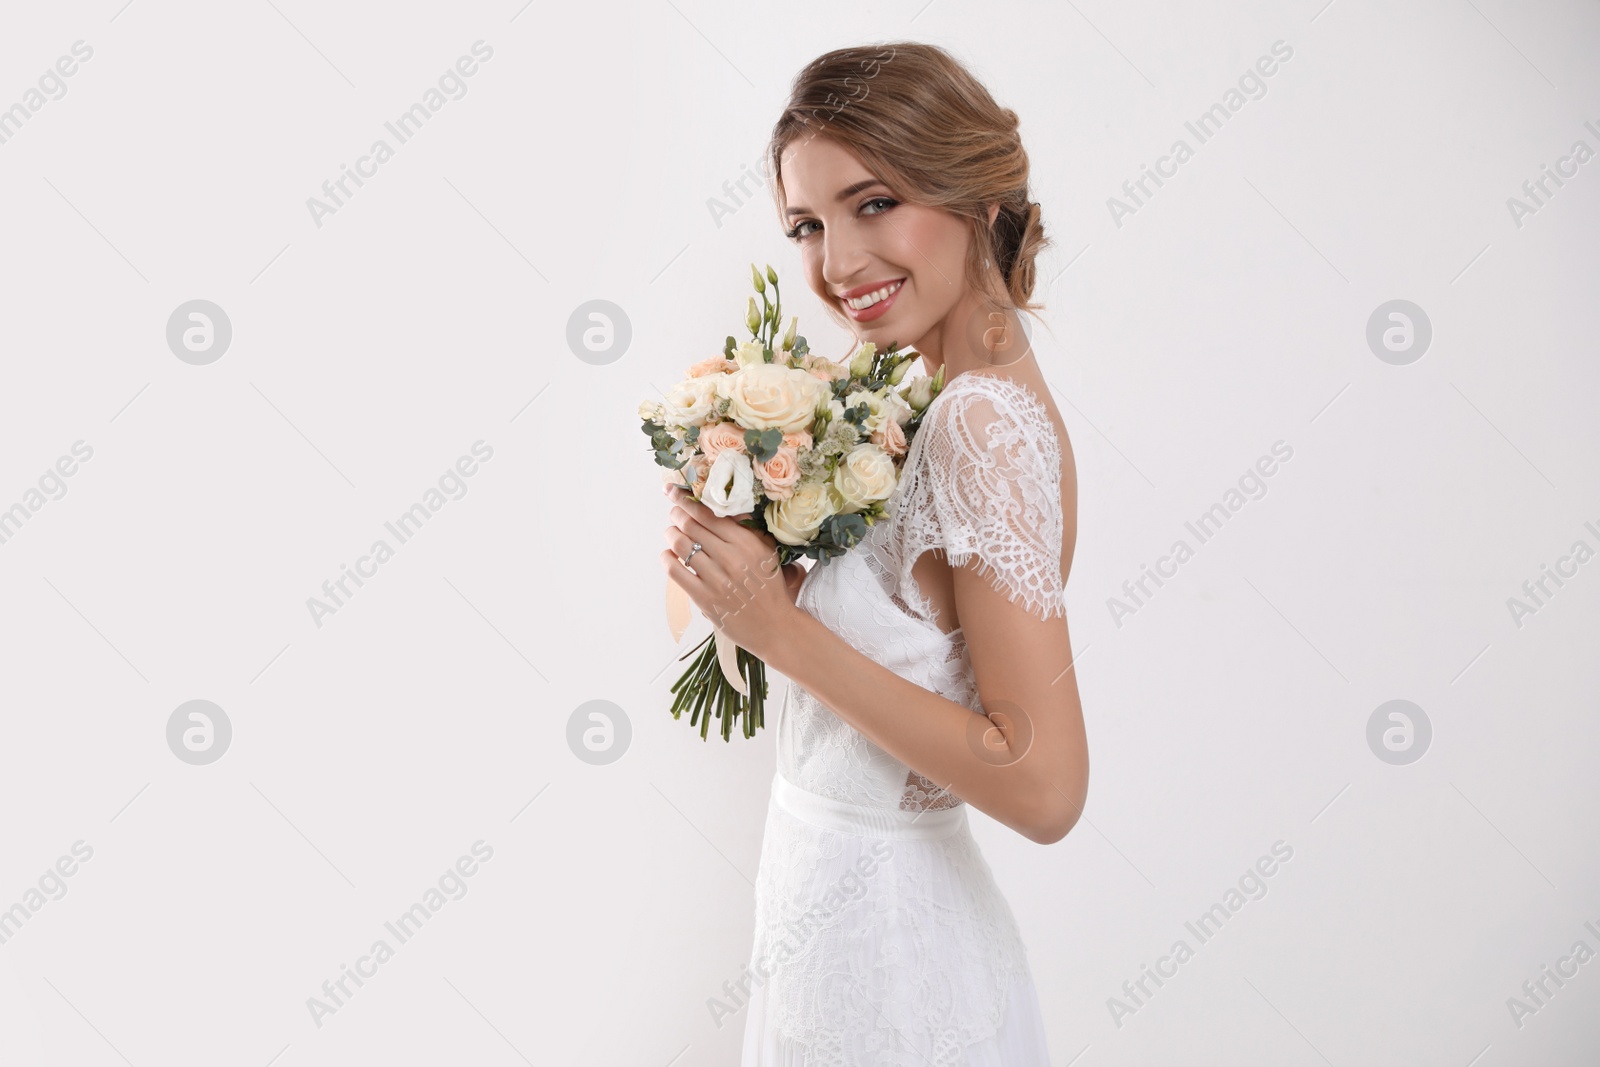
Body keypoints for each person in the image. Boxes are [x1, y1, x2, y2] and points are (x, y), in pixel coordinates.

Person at [662, 41, 1089, 1066]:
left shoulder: (979, 421)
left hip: (895, 961)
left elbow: (1044, 784)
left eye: (873, 203)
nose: (837, 264)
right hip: (832, 923)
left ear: (978, 198)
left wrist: (781, 628)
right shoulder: (915, 393)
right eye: (807, 225)